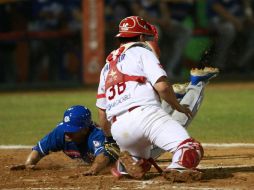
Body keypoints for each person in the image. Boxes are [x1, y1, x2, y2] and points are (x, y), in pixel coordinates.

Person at [96, 16, 218, 182]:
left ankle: (130, 162)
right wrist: (179, 107)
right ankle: (177, 168)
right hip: (146, 116)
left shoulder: (106, 67)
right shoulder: (142, 51)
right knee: (191, 148)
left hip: (119, 129)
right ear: (140, 37)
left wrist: (111, 139)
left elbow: (102, 115)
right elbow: (162, 87)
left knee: (141, 157)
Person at [10, 105, 115, 176]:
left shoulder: (96, 135)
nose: (67, 132)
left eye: (72, 130)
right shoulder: (60, 132)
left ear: (85, 129)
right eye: (66, 128)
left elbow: (103, 156)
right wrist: (29, 163)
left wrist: (93, 170)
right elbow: (39, 149)